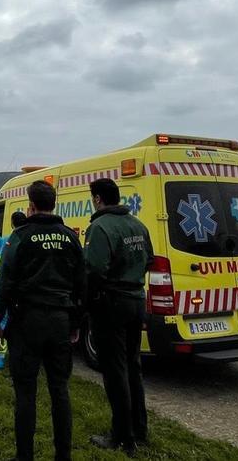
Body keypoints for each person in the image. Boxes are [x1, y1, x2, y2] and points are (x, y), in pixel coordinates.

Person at [0, 181, 85, 461]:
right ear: (53, 204)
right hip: (60, 321)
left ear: (30, 206)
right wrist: (76, 323)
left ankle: (24, 456)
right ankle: (63, 456)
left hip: (27, 322)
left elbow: (4, 282)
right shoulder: (70, 237)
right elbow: (81, 285)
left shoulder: (20, 237)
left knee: (25, 392)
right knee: (60, 390)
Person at [84, 178, 155, 454]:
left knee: (115, 372)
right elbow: (149, 259)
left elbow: (93, 270)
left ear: (99, 199)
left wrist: (86, 304)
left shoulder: (100, 227)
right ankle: (140, 428)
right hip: (137, 300)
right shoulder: (138, 225)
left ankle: (122, 437)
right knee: (133, 366)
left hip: (112, 304)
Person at [0, 211, 27, 369]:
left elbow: (2, 267)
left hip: (10, 291)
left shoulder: (8, 241)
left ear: (12, 223)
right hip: (26, 293)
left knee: (3, 324)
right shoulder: (31, 239)